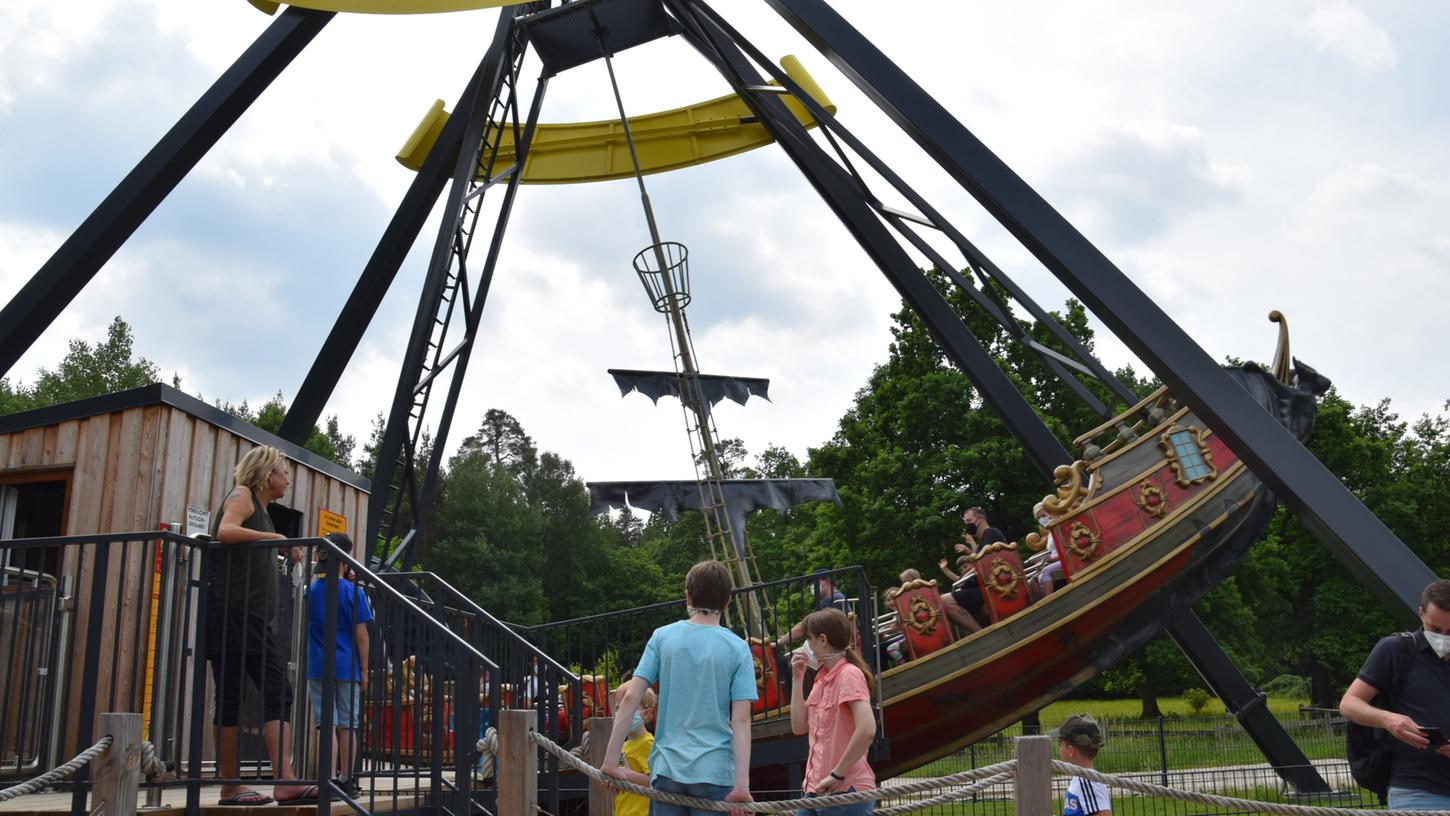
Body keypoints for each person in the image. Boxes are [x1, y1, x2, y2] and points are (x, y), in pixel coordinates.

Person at [602, 560, 755, 816]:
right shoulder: (738, 648)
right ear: (728, 600)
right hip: (713, 770)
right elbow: (741, 718)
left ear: (687, 597)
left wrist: (610, 762)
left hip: (667, 768)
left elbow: (630, 697)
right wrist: (741, 785)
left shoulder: (662, 637)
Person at [205, 445, 312, 806]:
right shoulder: (242, 494)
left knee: (277, 690)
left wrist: (279, 544)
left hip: (250, 617)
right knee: (234, 697)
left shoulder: (264, 510)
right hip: (231, 612)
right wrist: (278, 540)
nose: (287, 479)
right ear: (268, 475)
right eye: (283, 472)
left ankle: (285, 781)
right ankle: (231, 786)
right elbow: (226, 531)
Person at [1338, 579, 1450, 810]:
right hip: (1417, 790)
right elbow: (1349, 703)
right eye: (1435, 629)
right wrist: (1387, 719)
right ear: (1421, 614)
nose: (1443, 638)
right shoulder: (1397, 650)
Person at [789, 608, 877, 816]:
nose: (806, 646)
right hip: (815, 791)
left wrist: (837, 774)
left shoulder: (849, 674)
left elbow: (867, 730)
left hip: (845, 792)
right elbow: (799, 726)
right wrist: (797, 678)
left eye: (808, 639)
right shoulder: (822, 679)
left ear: (822, 640)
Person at [305, 532, 373, 798]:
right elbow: (362, 635)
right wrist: (365, 670)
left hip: (318, 663)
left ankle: (328, 778)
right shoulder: (353, 592)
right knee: (348, 724)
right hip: (347, 664)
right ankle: (346, 778)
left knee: (326, 723)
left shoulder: (312, 590)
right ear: (345, 559)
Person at [610, 685, 657, 816]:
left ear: (646, 713)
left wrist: (628, 775)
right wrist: (615, 783)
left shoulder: (648, 743)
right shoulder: (623, 745)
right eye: (618, 709)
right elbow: (622, 776)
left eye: (628, 708)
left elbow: (655, 782)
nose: (621, 714)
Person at [1058, 714, 1110, 816]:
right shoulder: (1081, 778)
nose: (1058, 749)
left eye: (1060, 744)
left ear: (1070, 751)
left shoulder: (1086, 781)